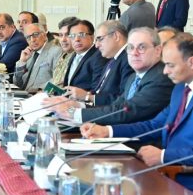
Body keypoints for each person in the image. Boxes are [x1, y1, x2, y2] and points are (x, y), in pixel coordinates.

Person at [80, 33, 193, 195]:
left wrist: (163, 156)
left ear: (192, 62)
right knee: (95, 188)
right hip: (167, 173)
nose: (165, 71)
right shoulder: (181, 88)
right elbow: (154, 125)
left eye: (170, 65)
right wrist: (107, 131)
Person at [46, 27, 174, 125]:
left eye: (141, 47)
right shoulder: (134, 77)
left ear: (158, 50)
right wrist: (77, 105)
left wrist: (73, 112)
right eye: (130, 48)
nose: (134, 53)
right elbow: (115, 107)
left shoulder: (161, 78)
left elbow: (126, 112)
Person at [66, 20, 133, 105]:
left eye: (100, 39)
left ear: (116, 36)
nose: (96, 45)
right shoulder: (113, 60)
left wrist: (87, 97)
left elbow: (123, 101)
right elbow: (98, 92)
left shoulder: (129, 59)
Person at [62, 19, 108, 94]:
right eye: (72, 36)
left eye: (81, 35)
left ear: (92, 37)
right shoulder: (74, 55)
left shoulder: (99, 57)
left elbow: (96, 90)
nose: (77, 39)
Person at [13, 23, 62, 91]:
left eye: (35, 35)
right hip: (23, 94)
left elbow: (58, 78)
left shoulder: (55, 51)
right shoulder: (28, 54)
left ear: (44, 35)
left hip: (40, 94)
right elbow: (17, 83)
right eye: (28, 37)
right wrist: (22, 62)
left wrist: (40, 90)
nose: (32, 40)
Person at [51, 17, 78, 86]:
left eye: (67, 35)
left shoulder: (79, 58)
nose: (63, 39)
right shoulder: (64, 55)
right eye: (60, 35)